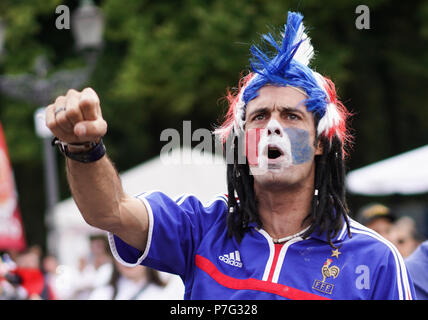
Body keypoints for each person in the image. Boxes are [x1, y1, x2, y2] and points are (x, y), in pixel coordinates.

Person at [45, 11, 414, 299]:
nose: (273, 126)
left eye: (291, 116)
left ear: (320, 142)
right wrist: (82, 147)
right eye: (258, 116)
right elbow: (108, 211)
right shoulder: (201, 227)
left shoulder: (375, 258)